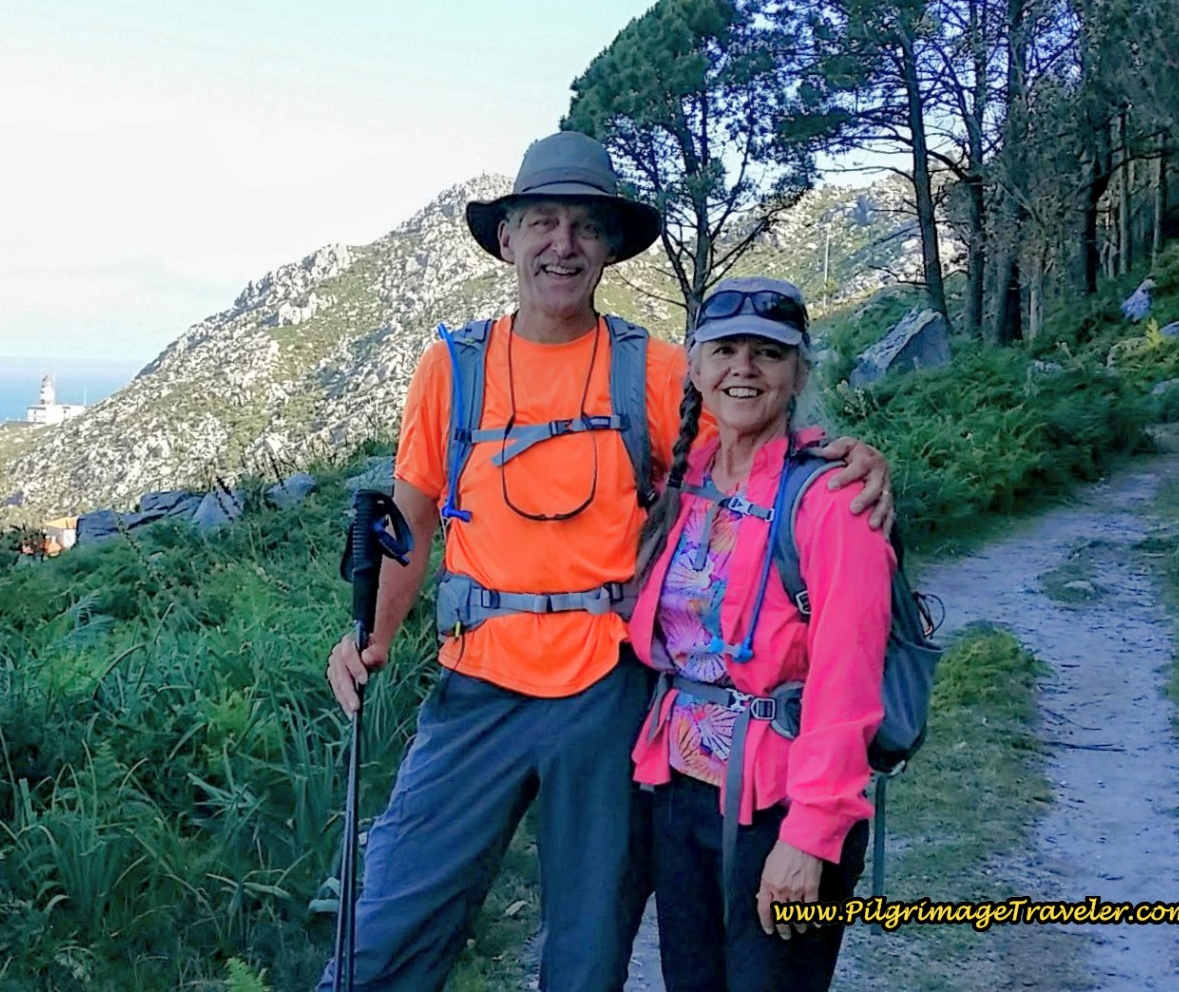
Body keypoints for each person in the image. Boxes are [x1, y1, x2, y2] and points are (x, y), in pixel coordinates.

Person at [318, 132, 894, 992]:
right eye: (541, 222)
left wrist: (840, 457)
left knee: (586, 953)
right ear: (505, 238)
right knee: (389, 919)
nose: (563, 243)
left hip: (606, 688)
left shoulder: (657, 372)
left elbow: (741, 457)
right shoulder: (451, 367)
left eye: (585, 227)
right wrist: (369, 637)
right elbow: (416, 512)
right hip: (473, 683)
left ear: (609, 248)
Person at [627, 276, 890, 992]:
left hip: (782, 804)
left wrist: (810, 835)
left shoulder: (833, 499)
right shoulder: (687, 481)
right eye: (725, 350)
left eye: (767, 353)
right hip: (680, 794)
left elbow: (846, 679)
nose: (743, 368)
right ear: (695, 366)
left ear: (798, 371)